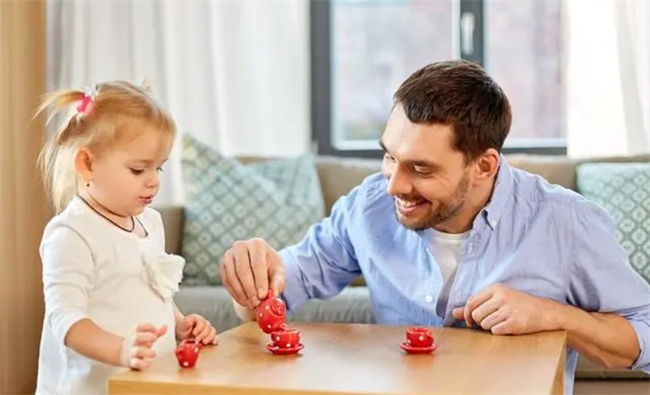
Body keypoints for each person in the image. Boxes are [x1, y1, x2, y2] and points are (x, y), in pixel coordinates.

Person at [220, 60, 650, 394]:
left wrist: (552, 315)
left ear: (483, 165)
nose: (393, 185)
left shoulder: (566, 223)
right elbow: (272, 298)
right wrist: (253, 277)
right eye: (389, 155)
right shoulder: (367, 207)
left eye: (420, 169)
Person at [36, 81, 218, 394]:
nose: (153, 183)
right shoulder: (72, 233)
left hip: (145, 382)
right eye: (138, 170)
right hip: (94, 388)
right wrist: (120, 350)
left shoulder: (151, 221)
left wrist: (179, 323)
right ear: (88, 164)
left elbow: (154, 289)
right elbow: (66, 320)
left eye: (158, 169)